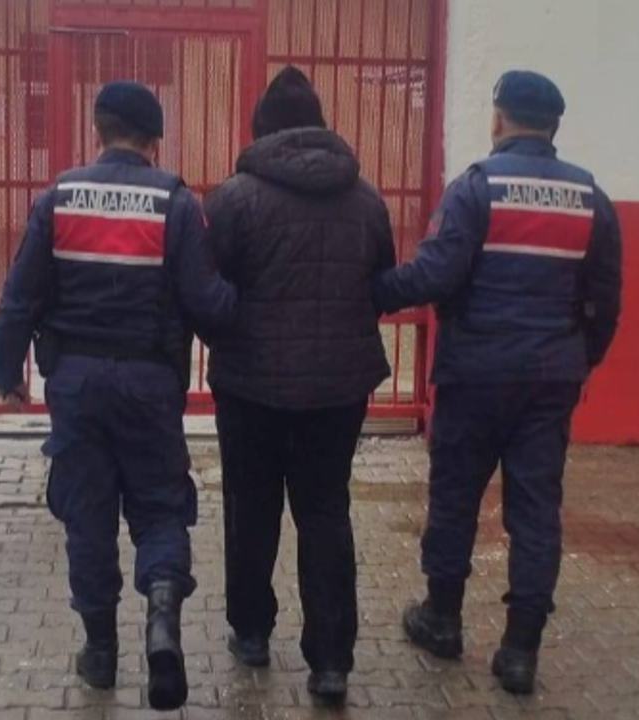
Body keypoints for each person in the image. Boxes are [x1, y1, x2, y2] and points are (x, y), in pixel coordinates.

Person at [0, 81, 236, 712]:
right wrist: (248, 318)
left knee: (87, 513)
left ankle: (100, 652)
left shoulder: (58, 198)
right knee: (159, 508)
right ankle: (162, 621)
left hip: (74, 385)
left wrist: (7, 370)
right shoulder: (175, 203)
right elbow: (208, 303)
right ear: (154, 141)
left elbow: (20, 296)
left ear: (97, 131)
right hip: (150, 386)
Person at [374, 70, 622, 695]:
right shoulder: (591, 199)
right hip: (548, 381)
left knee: (455, 498)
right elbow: (605, 299)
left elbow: (434, 275)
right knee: (535, 510)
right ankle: (520, 652)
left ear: (497, 118)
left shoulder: (477, 188)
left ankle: (442, 620)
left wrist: (370, 292)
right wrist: (574, 360)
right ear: (554, 126)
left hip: (475, 376)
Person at [203, 66, 395, 703]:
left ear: (261, 129)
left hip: (249, 386)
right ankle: (331, 661)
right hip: (339, 389)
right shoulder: (366, 200)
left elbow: (209, 289)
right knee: (325, 510)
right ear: (319, 124)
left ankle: (251, 632)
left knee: (251, 507)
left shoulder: (232, 199)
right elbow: (379, 279)